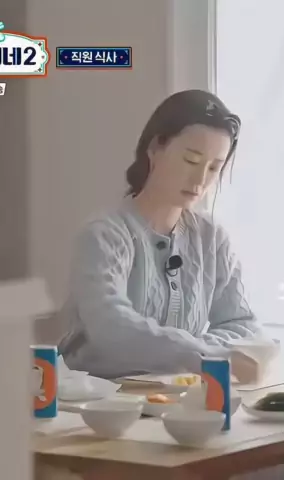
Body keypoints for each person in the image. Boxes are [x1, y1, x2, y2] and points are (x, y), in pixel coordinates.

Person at [58, 90, 263, 382]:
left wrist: (201, 351)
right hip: (95, 398)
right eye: (191, 160)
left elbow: (243, 323)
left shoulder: (212, 238)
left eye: (214, 168)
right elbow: (111, 327)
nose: (200, 180)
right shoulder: (104, 235)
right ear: (155, 148)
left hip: (178, 395)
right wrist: (202, 355)